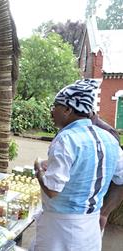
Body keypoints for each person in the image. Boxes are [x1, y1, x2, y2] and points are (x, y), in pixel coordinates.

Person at [31, 79, 123, 251]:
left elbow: (52, 189)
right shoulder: (109, 139)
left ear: (67, 109)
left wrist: (38, 169)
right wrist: (104, 212)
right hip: (90, 228)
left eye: (55, 106)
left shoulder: (66, 139)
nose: (51, 112)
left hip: (60, 229)